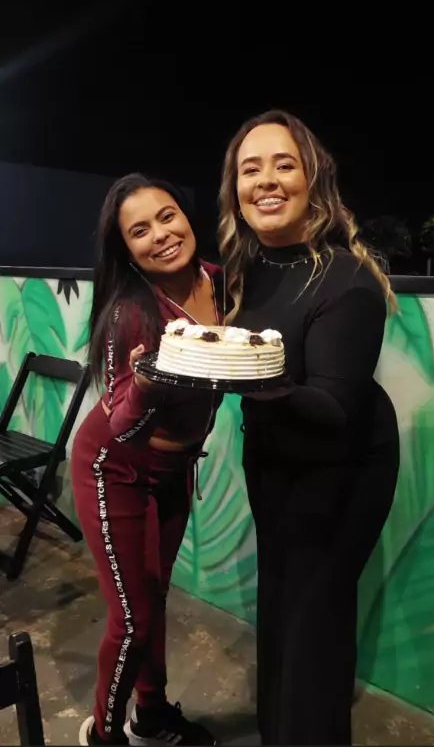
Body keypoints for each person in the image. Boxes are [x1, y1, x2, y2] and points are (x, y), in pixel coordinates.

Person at [218, 110, 400, 746]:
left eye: (284, 164)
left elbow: (333, 409)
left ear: (313, 180)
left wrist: (248, 379)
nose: (266, 181)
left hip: (343, 470)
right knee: (280, 608)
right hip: (274, 461)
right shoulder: (246, 269)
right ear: (235, 190)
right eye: (250, 169)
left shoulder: (345, 278)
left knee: (312, 625)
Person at [72, 174, 222, 746]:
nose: (160, 235)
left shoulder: (219, 282)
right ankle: (104, 735)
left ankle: (151, 716)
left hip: (175, 468)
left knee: (153, 600)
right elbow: (124, 428)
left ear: (185, 215)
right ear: (127, 250)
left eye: (167, 216)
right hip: (114, 466)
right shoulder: (130, 313)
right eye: (140, 231)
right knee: (132, 618)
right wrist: (147, 388)